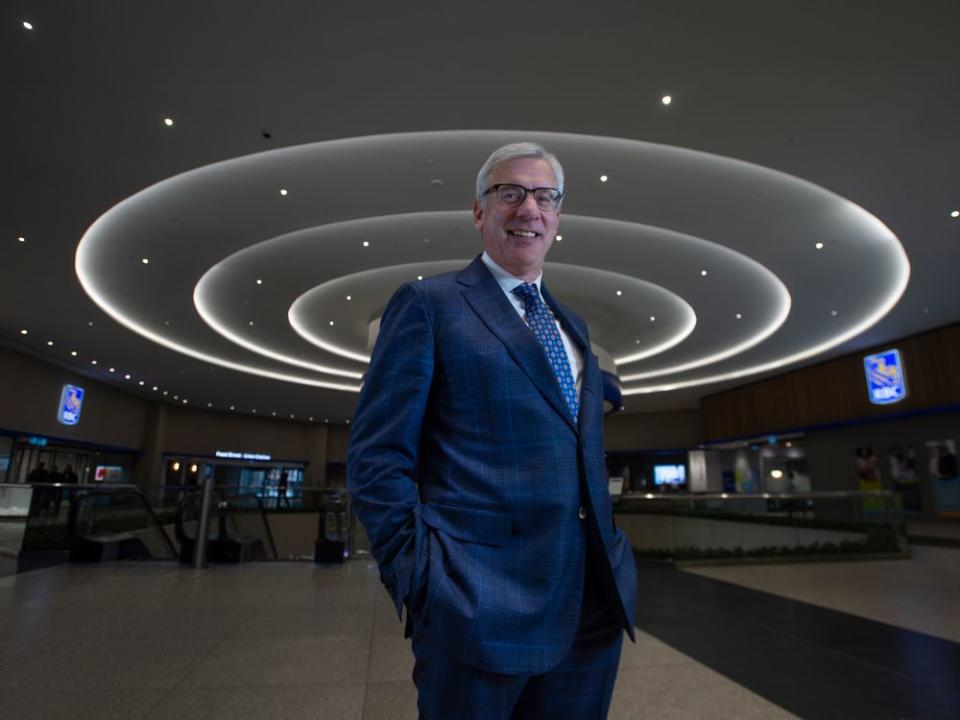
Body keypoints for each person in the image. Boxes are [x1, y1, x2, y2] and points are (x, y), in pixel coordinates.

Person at [347, 142, 637, 719]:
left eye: (544, 196)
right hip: (475, 608)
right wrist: (422, 581)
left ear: (557, 216)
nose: (529, 207)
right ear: (479, 212)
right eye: (510, 193)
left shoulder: (573, 327)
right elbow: (377, 457)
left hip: (592, 608)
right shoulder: (429, 305)